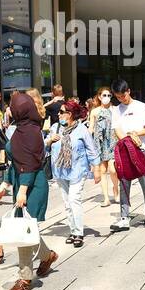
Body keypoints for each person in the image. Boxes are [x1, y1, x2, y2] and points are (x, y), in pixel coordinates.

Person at [0, 91, 57, 290]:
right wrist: (5, 184)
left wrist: (21, 190)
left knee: (23, 232)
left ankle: (25, 277)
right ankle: (47, 256)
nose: (9, 109)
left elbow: (30, 164)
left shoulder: (30, 131)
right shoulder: (21, 129)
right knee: (27, 230)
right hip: (22, 184)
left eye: (13, 106)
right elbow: (16, 162)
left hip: (33, 186)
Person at [48, 98, 99, 247]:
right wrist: (50, 140)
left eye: (62, 112)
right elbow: (45, 146)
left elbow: (91, 149)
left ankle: (78, 232)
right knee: (67, 202)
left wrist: (96, 169)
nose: (59, 114)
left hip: (78, 169)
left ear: (70, 114)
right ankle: (72, 229)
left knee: (74, 199)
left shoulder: (81, 129)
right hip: (60, 171)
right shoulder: (55, 128)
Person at [109, 79, 145, 231]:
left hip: (141, 150)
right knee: (124, 183)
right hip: (125, 151)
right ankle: (124, 217)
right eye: (117, 97)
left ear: (128, 91)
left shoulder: (141, 107)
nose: (121, 99)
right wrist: (127, 141)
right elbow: (116, 129)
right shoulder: (116, 110)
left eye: (123, 95)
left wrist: (135, 134)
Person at [89, 86, 118, 206]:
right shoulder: (95, 111)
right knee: (103, 170)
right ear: (99, 96)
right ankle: (106, 198)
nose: (106, 98)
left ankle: (116, 189)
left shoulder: (115, 109)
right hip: (99, 142)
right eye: (104, 95)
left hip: (112, 141)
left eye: (109, 95)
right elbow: (91, 128)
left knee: (112, 169)